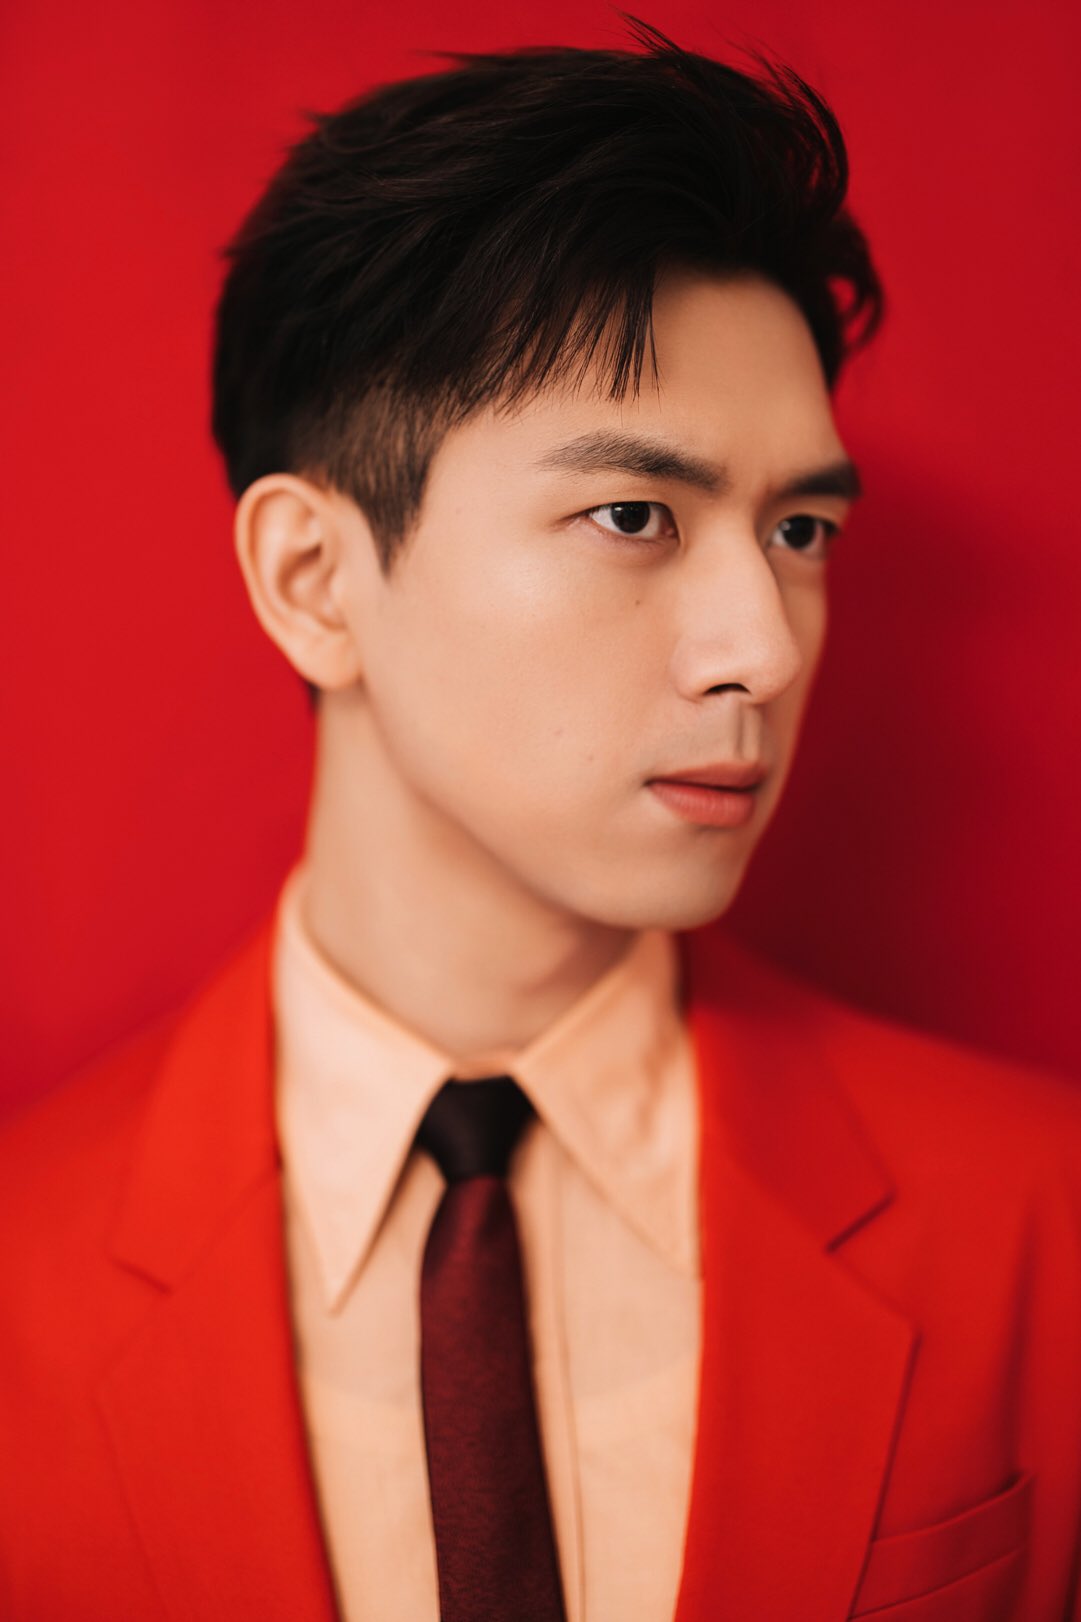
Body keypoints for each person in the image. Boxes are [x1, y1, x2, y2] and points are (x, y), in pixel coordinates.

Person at [2, 20, 1080, 1622]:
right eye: (631, 515)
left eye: (798, 530)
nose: (765, 648)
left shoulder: (1041, 1224)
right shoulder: (24, 1277)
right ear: (314, 579)